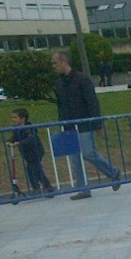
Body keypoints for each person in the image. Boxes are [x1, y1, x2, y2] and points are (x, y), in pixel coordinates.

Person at [51, 51, 121, 199]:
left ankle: (113, 172)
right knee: (75, 158)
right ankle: (84, 189)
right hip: (68, 125)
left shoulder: (82, 79)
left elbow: (92, 102)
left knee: (88, 153)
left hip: (83, 123)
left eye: (55, 63)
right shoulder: (58, 82)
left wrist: (97, 124)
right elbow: (60, 105)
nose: (54, 66)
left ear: (63, 62)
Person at [8, 108, 54, 195]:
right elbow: (14, 137)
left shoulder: (29, 127)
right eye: (12, 117)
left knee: (34, 169)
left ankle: (44, 187)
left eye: (15, 117)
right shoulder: (16, 129)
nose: (13, 120)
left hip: (36, 151)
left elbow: (31, 139)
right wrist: (9, 141)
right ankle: (41, 187)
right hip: (26, 153)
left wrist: (19, 143)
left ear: (23, 118)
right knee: (33, 169)